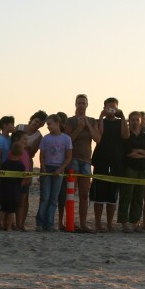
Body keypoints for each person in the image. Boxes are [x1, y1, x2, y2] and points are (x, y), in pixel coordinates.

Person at [89, 97, 128, 232]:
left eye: (114, 107)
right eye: (109, 107)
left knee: (112, 195)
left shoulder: (120, 122)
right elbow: (99, 135)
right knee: (99, 194)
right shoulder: (100, 121)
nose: (112, 109)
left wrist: (122, 117)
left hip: (116, 161)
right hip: (101, 159)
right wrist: (101, 116)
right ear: (105, 107)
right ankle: (98, 223)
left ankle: (110, 223)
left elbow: (125, 135)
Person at [65, 94, 99, 231]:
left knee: (84, 194)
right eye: (79, 103)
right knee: (71, 193)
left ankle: (83, 223)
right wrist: (79, 127)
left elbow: (97, 138)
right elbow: (67, 140)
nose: (81, 105)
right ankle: (71, 222)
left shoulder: (92, 120)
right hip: (73, 159)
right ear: (75, 104)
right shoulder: (70, 121)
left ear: (87, 105)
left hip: (86, 161)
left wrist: (87, 125)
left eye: (83, 103)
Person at [118, 110, 145, 232]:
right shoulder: (126, 135)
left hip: (142, 169)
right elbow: (129, 153)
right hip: (129, 168)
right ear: (129, 121)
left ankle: (135, 221)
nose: (135, 122)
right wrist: (143, 154)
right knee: (127, 195)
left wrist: (140, 151)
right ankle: (124, 222)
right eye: (132, 120)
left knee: (139, 196)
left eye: (137, 120)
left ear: (141, 121)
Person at [36, 113, 72, 232]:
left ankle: (49, 224)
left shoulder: (66, 138)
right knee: (45, 197)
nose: (48, 127)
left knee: (53, 198)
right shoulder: (46, 138)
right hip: (47, 168)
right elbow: (41, 154)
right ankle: (40, 223)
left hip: (59, 169)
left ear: (57, 123)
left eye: (50, 124)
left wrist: (61, 169)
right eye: (47, 124)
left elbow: (68, 157)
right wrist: (43, 167)